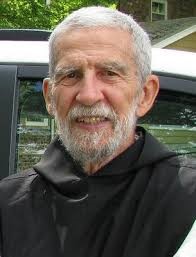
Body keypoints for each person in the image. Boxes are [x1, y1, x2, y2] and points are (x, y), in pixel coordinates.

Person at [0, 6, 196, 257]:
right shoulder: (9, 206)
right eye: (71, 75)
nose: (89, 95)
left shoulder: (187, 202)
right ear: (50, 96)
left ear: (145, 94)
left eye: (109, 73)